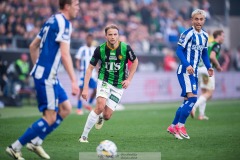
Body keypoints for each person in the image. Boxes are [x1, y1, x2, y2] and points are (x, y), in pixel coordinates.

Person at [6, 0, 79, 159]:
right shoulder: (65, 23)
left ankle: (36, 142)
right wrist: (74, 81)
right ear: (67, 6)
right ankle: (15, 147)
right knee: (50, 117)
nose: (78, 8)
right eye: (76, 4)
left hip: (46, 74)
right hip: (47, 76)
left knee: (66, 108)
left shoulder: (52, 19)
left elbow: (33, 46)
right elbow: (65, 55)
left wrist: (38, 67)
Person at [79, 24, 138, 143]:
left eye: (115, 34)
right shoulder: (100, 49)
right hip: (104, 80)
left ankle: (101, 116)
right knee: (100, 106)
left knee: (107, 116)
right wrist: (85, 88)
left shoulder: (125, 48)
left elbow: (135, 61)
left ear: (118, 35)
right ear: (106, 36)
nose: (112, 37)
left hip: (119, 85)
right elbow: (90, 68)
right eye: (110, 34)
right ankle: (84, 136)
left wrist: (129, 80)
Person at [167, 9, 213, 140]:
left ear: (204, 21)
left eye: (201, 19)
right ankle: (180, 125)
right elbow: (179, 51)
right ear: (192, 20)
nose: (199, 21)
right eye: (196, 19)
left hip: (195, 71)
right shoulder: (187, 34)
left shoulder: (204, 36)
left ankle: (173, 125)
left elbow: (204, 53)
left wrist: (209, 67)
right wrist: (187, 64)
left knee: (187, 101)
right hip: (185, 70)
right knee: (193, 99)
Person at [191, 30, 224, 120]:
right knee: (209, 93)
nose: (223, 38)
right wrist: (218, 66)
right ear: (217, 36)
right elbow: (212, 56)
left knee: (205, 93)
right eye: (222, 36)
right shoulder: (216, 45)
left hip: (200, 68)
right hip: (207, 69)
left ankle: (201, 115)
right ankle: (194, 107)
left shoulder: (209, 43)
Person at [75, 33, 97, 115]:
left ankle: (88, 104)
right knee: (81, 90)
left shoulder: (94, 49)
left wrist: (97, 70)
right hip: (83, 73)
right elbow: (77, 59)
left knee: (96, 90)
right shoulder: (82, 49)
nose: (89, 40)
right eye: (88, 39)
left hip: (93, 74)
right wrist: (78, 67)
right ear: (86, 40)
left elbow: (97, 62)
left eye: (91, 39)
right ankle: (79, 108)